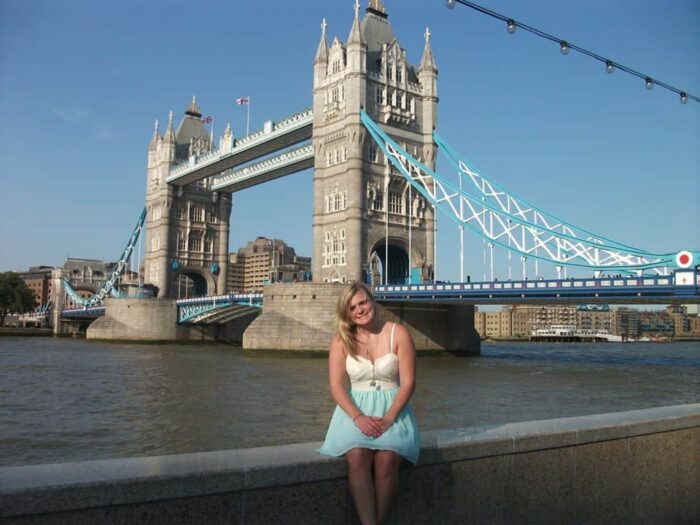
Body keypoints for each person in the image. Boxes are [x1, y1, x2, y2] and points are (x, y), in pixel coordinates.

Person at [318, 282, 420, 525]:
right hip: (355, 410)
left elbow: (408, 383)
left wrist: (389, 418)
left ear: (372, 301)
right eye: (353, 307)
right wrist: (358, 417)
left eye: (363, 302)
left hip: (393, 409)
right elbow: (336, 386)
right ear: (347, 314)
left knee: (387, 460)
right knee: (356, 455)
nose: (360, 309)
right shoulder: (341, 340)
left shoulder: (399, 333)